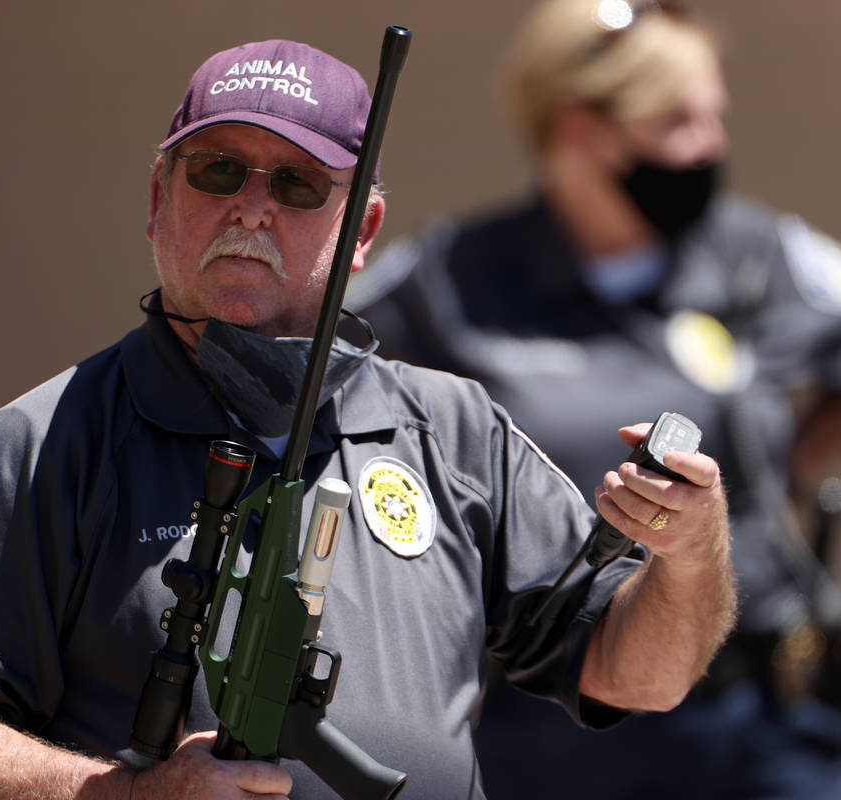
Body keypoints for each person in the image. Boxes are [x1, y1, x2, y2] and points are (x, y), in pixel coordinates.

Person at [0, 36, 736, 800]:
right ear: (158, 199)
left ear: (363, 231)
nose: (251, 206)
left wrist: (690, 554)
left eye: (301, 184)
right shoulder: (47, 442)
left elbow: (634, 673)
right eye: (218, 170)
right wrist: (117, 792)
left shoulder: (453, 428)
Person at [346, 1, 841, 797]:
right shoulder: (452, 280)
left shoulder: (760, 255)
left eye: (716, 115)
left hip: (761, 729)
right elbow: (302, 363)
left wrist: (790, 468)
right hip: (556, 734)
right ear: (582, 130)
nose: (712, 145)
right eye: (679, 120)